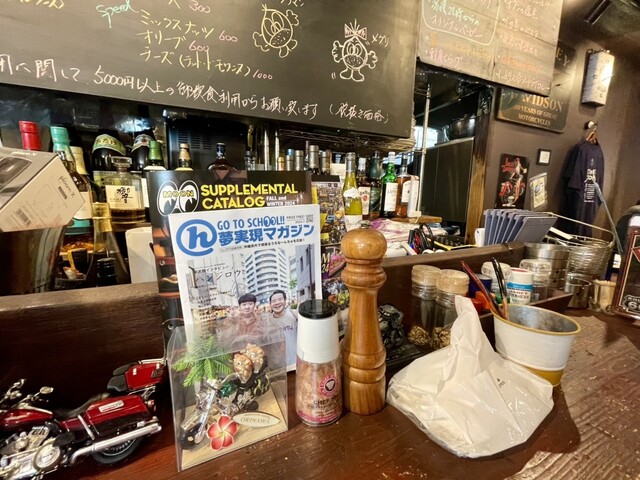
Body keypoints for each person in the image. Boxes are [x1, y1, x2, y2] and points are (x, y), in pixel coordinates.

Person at [268, 290, 298, 369]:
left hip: (296, 361)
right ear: (270, 304)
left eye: (280, 299)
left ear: (285, 301)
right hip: (279, 366)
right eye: (274, 301)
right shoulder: (267, 321)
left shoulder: (293, 314)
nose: (277, 303)